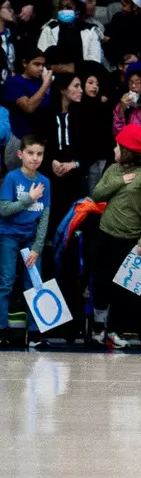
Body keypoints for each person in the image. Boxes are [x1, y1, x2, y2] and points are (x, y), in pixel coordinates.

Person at [88, 125, 141, 350]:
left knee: (123, 288)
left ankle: (115, 331)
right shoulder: (112, 170)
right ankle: (99, 328)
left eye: (118, 146)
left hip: (130, 241)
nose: (114, 149)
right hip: (106, 236)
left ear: (128, 151)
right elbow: (97, 194)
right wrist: (120, 181)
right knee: (101, 282)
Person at [0, 135, 51, 348]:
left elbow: (44, 216)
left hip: (31, 237)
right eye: (30, 153)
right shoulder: (12, 178)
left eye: (39, 154)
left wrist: (37, 247)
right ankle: (3, 329)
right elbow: (4, 210)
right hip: (9, 235)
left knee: (34, 283)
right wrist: (29, 198)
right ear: (21, 154)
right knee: (6, 281)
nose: (35, 158)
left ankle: (35, 332)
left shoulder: (45, 182)